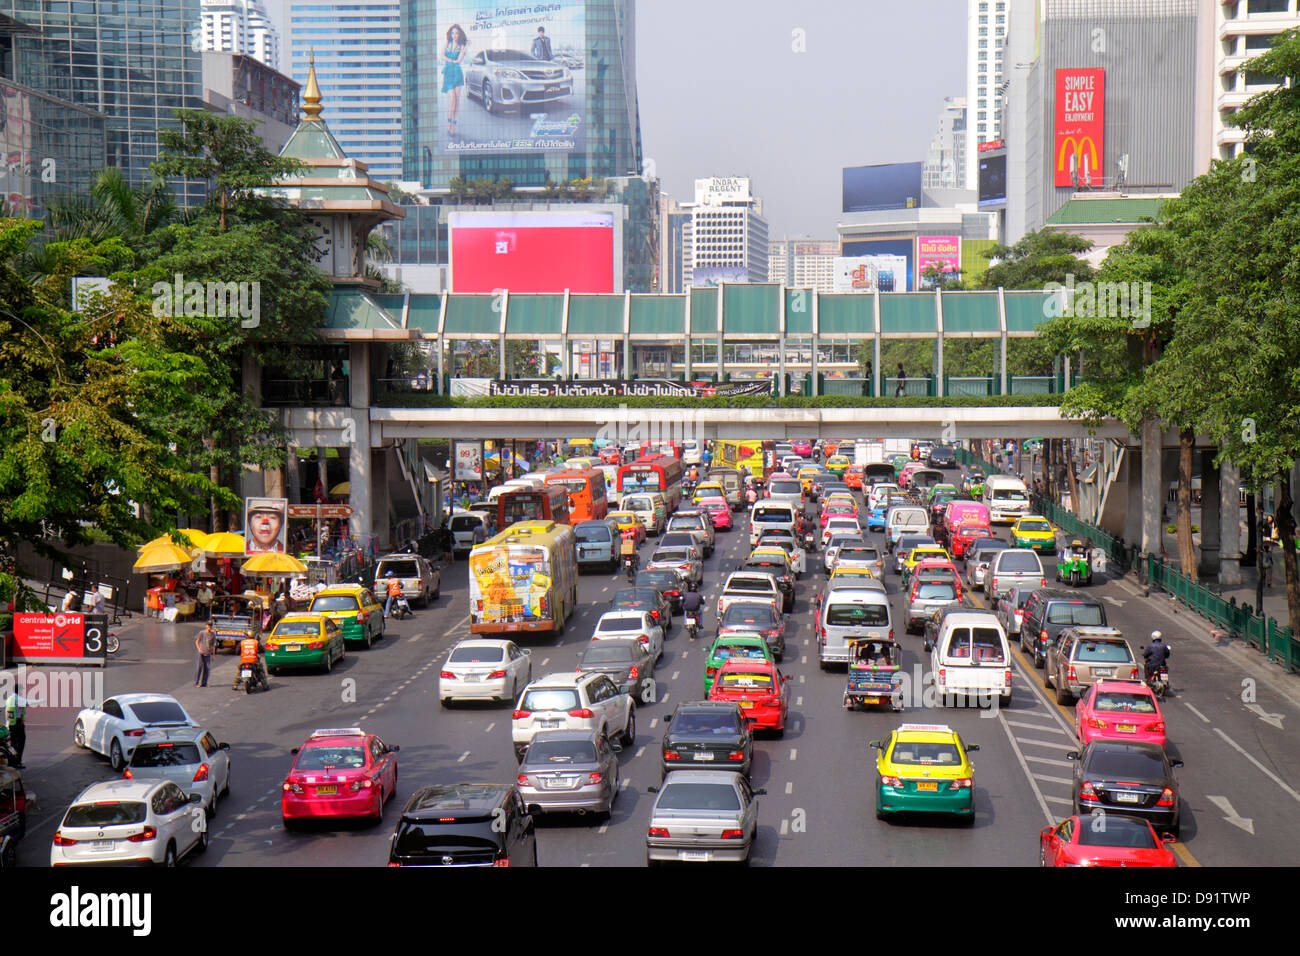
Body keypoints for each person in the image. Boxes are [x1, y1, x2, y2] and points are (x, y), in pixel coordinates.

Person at [442, 24, 469, 136]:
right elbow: (442, 56)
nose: (454, 35)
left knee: (457, 102)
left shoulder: (462, 46)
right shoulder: (447, 44)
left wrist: (465, 48)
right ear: (450, 34)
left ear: (460, 34)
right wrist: (451, 60)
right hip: (448, 73)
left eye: (457, 33)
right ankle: (449, 123)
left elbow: (459, 60)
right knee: (452, 100)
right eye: (453, 33)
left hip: (457, 74)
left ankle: (453, 127)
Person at [4, 689, 25, 767]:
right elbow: (29, 703)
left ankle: (13, 761)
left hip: (11, 723)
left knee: (13, 743)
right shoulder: (18, 699)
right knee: (20, 743)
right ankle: (17, 761)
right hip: (17, 724)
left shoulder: (10, 699)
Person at [195, 623, 215, 688]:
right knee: (199, 668)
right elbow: (197, 642)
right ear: (206, 626)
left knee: (207, 668)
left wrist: (213, 655)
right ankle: (196, 683)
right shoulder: (202, 633)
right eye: (208, 625)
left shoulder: (212, 635)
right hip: (201, 653)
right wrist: (199, 649)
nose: (209, 627)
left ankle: (204, 683)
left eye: (210, 626)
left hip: (208, 653)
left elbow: (213, 645)